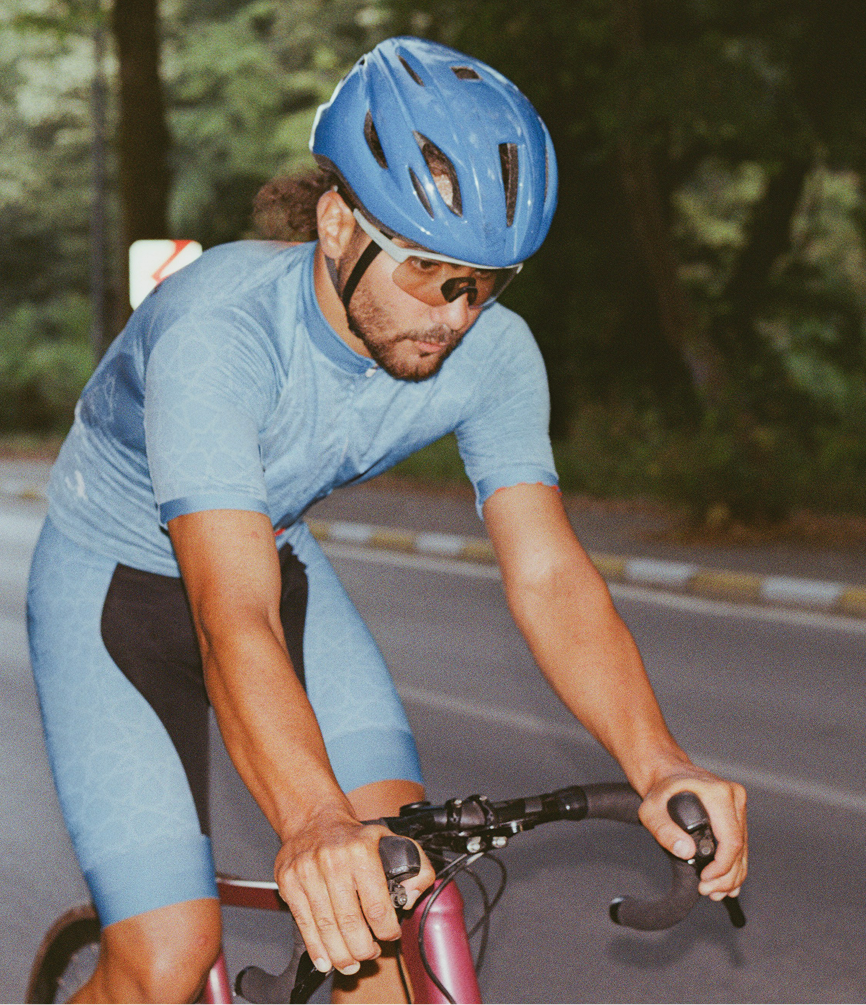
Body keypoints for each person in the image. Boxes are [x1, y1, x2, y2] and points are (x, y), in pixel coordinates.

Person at [27, 36, 746, 1005]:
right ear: (337, 225)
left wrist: (657, 762)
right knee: (165, 963)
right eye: (427, 270)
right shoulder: (218, 336)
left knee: (395, 902)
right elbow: (229, 611)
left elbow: (547, 575)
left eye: (484, 281)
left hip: (268, 554)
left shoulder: (493, 357)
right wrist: (315, 820)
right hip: (112, 589)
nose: (454, 314)